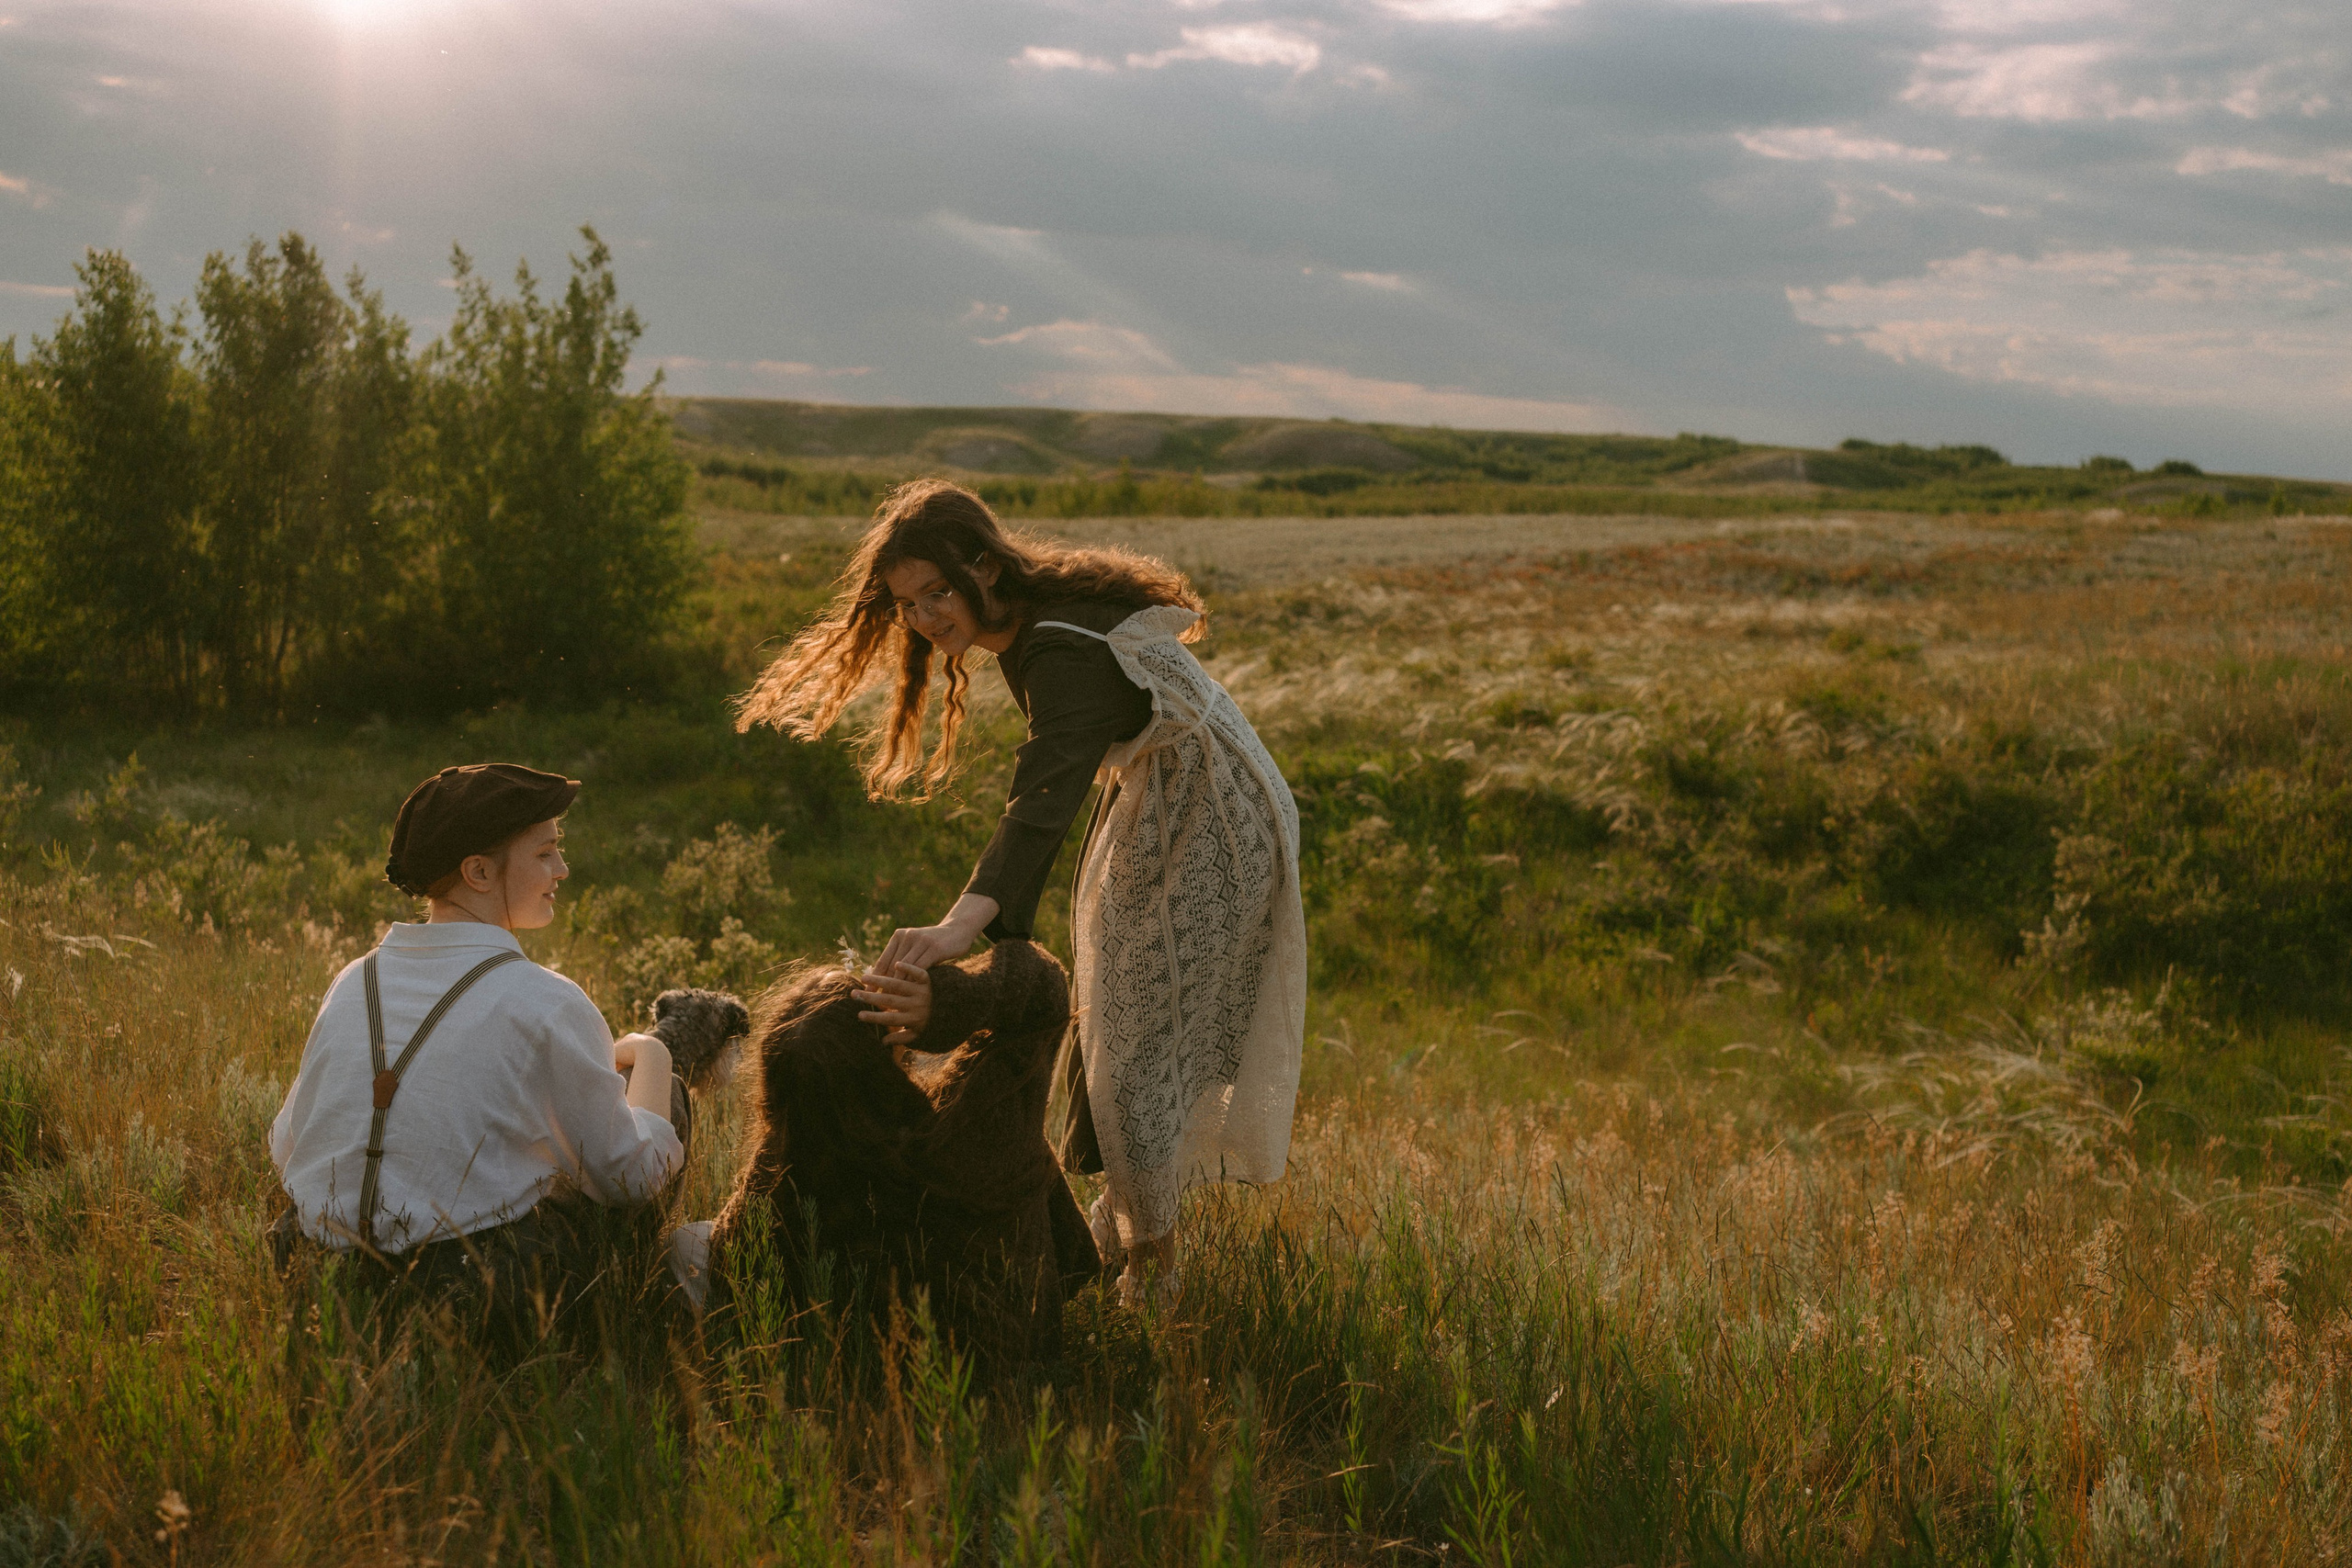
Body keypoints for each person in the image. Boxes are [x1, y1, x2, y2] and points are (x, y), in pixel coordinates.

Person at [736, 479, 1306, 1303]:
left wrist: (960, 924)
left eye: (939, 589)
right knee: (1113, 1009)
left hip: (1213, 810)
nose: (929, 616)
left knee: (1136, 1041)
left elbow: (1042, 799)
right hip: (1170, 793)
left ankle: (1157, 1274)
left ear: (984, 565)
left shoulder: (1055, 645)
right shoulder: (1028, 619)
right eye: (908, 602)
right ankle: (1126, 1220)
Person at [267, 762, 933, 1339]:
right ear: (477, 871)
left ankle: (663, 1040)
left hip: (316, 1278)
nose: (563, 868)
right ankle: (673, 1037)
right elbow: (632, 1179)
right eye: (545, 852)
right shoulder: (544, 998)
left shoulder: (356, 978)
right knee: (639, 1134)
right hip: (470, 1298)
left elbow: (288, 1145)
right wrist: (649, 1059)